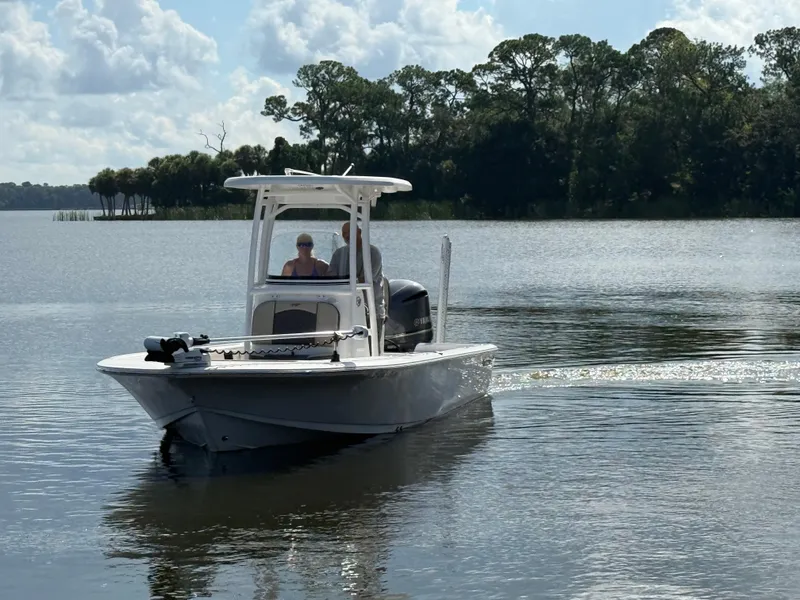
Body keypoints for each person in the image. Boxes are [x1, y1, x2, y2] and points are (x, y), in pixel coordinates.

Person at [326, 222, 386, 339]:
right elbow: (331, 278)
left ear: (359, 232)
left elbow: (365, 280)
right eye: (344, 233)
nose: (347, 235)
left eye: (350, 232)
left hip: (371, 310)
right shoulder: (339, 254)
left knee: (372, 347)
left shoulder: (373, 253)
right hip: (345, 309)